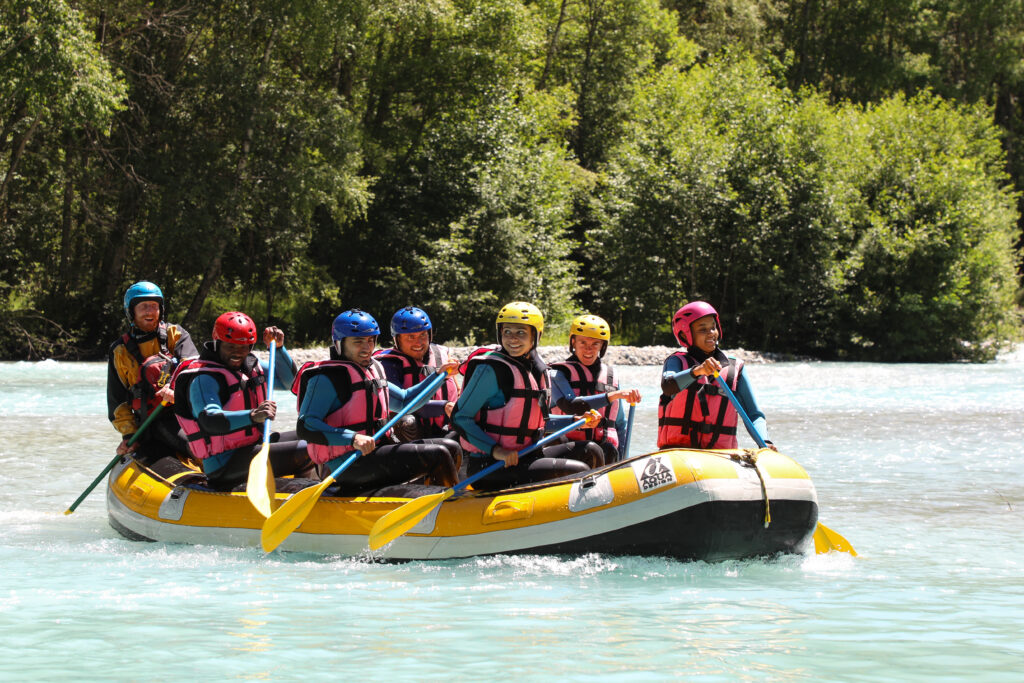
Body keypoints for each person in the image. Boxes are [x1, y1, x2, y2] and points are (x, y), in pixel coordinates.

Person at [294, 309, 460, 495]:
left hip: (374, 454)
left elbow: (406, 401)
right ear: (339, 344)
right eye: (358, 342)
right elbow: (306, 426)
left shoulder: (373, 369)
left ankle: (431, 496)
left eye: (371, 340)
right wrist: (353, 438)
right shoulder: (326, 378)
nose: (367, 347)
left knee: (451, 448)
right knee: (437, 455)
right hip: (343, 466)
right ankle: (449, 506)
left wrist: (438, 376)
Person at [452, 301, 604, 492]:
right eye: (507, 332)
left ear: (536, 335)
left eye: (521, 332)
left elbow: (536, 423)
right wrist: (496, 450)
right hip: (490, 466)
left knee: (591, 450)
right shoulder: (490, 370)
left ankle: (601, 508)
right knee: (578, 470)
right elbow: (459, 417)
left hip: (527, 454)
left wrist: (576, 420)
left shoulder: (535, 369)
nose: (513, 339)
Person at [171, 311, 315, 491]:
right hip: (225, 462)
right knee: (308, 450)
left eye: (244, 347)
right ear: (217, 342)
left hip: (254, 445)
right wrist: (253, 415)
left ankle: (307, 490)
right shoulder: (203, 378)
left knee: (315, 436)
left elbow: (290, 382)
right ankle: (301, 492)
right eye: (231, 346)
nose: (238, 353)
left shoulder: (249, 366)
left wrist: (278, 349)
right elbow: (210, 420)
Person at [657, 301, 776, 451]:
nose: (711, 333)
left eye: (713, 327)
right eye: (702, 329)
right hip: (678, 452)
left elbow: (753, 414)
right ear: (684, 335)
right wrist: (696, 371)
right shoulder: (676, 361)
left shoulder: (735, 369)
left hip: (720, 455)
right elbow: (668, 387)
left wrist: (764, 442)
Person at [107, 281, 198, 462]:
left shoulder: (176, 334)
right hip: (152, 422)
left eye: (154, 306)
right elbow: (117, 401)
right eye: (144, 306)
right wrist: (129, 435)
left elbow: (194, 369)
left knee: (203, 443)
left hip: (185, 414)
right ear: (131, 311)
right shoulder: (119, 350)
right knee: (191, 445)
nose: (150, 311)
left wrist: (176, 390)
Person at [549, 314, 642, 463]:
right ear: (573, 342)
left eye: (595, 344)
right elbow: (571, 406)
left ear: (602, 346)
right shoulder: (557, 374)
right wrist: (614, 395)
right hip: (566, 448)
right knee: (591, 450)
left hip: (603, 451)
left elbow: (619, 424)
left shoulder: (610, 377)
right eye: (583, 342)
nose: (588, 349)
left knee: (608, 450)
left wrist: (623, 459)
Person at [374, 306, 460, 446]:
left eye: (423, 335)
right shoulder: (388, 364)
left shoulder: (442, 355)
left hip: (446, 427)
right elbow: (403, 404)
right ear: (397, 339)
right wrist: (444, 406)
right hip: (413, 435)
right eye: (411, 337)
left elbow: (457, 391)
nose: (418, 343)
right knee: (406, 421)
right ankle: (413, 463)